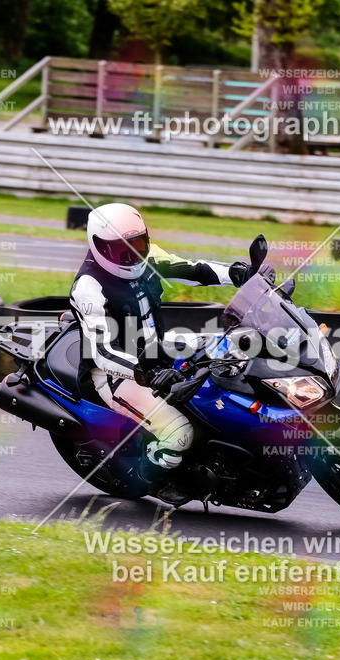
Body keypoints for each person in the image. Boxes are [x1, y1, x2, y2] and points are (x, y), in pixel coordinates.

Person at [69, 203, 274, 505]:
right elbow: (103, 352)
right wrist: (142, 373)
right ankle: (149, 476)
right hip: (117, 376)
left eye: (137, 244)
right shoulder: (88, 287)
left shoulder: (147, 258)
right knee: (178, 434)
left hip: (159, 356)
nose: (130, 255)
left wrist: (240, 274)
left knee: (230, 356)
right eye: (119, 250)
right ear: (98, 246)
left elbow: (193, 269)